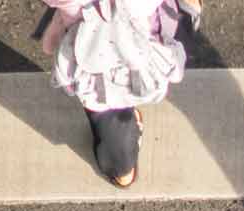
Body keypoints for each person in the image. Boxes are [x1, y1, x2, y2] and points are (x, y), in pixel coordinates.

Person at [40, 0, 200, 187]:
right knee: (182, 26)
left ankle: (120, 149)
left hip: (92, 57)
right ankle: (188, 12)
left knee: (122, 167)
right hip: (148, 46)